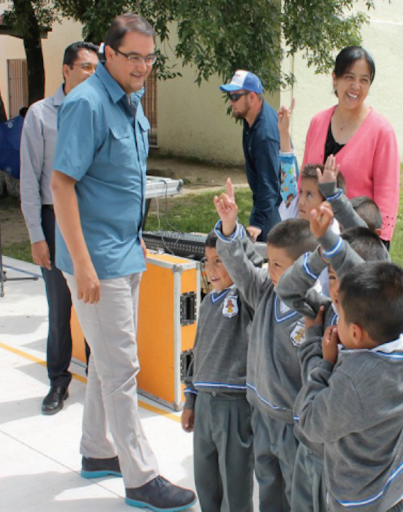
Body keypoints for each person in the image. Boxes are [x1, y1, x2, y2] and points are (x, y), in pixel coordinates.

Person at [50, 14, 196, 511]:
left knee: (108, 359)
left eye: (150, 57)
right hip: (98, 262)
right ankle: (141, 477)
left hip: (126, 251)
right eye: (133, 56)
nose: (142, 66)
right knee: (122, 367)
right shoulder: (86, 104)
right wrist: (84, 266)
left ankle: (96, 450)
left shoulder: (131, 106)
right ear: (108, 53)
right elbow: (61, 184)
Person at [277, 204, 394, 512]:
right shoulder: (326, 309)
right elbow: (287, 291)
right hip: (312, 454)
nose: (337, 288)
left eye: (345, 278)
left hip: (347, 472)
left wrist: (316, 349)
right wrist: (321, 254)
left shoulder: (382, 340)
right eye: (331, 276)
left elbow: (322, 412)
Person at [213, 179, 317, 511]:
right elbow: (243, 269)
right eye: (268, 262)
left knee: (295, 493)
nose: (268, 271)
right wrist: (230, 228)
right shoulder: (265, 291)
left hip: (292, 423)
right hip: (260, 412)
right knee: (268, 485)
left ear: (304, 268)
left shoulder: (315, 313)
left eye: (277, 265)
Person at [297, 261, 403, 512]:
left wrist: (322, 358)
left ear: (355, 332)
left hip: (357, 502)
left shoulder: (353, 382)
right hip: (393, 491)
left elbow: (309, 421)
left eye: (340, 314)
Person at [20, 41, 99, 415]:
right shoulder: (39, 116)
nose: (91, 74)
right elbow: (30, 182)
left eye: (96, 68)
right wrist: (38, 235)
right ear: (66, 70)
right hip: (55, 219)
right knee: (60, 306)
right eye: (85, 67)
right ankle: (58, 381)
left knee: (94, 301)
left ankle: (98, 377)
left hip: (90, 219)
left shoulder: (98, 110)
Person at [181, 231, 255, 512]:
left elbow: (250, 266)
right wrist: (191, 399)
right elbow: (196, 352)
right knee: (206, 479)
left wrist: (230, 229)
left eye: (220, 261)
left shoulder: (247, 297)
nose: (210, 269)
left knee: (235, 484)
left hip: (233, 406)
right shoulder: (206, 302)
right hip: (205, 405)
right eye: (207, 261)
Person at [302, 46, 400, 246]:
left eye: (364, 80)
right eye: (349, 77)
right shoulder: (317, 122)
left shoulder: (382, 132)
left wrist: (377, 246)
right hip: (312, 236)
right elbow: (303, 180)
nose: (356, 86)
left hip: (354, 243)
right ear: (335, 78)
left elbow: (387, 199)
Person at [220, 70, 280, 242]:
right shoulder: (252, 119)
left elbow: (270, 185)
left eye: (235, 97)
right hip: (267, 203)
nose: (231, 102)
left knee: (267, 261)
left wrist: (257, 223)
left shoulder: (265, 134)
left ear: (252, 97)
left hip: (274, 208)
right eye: (229, 96)